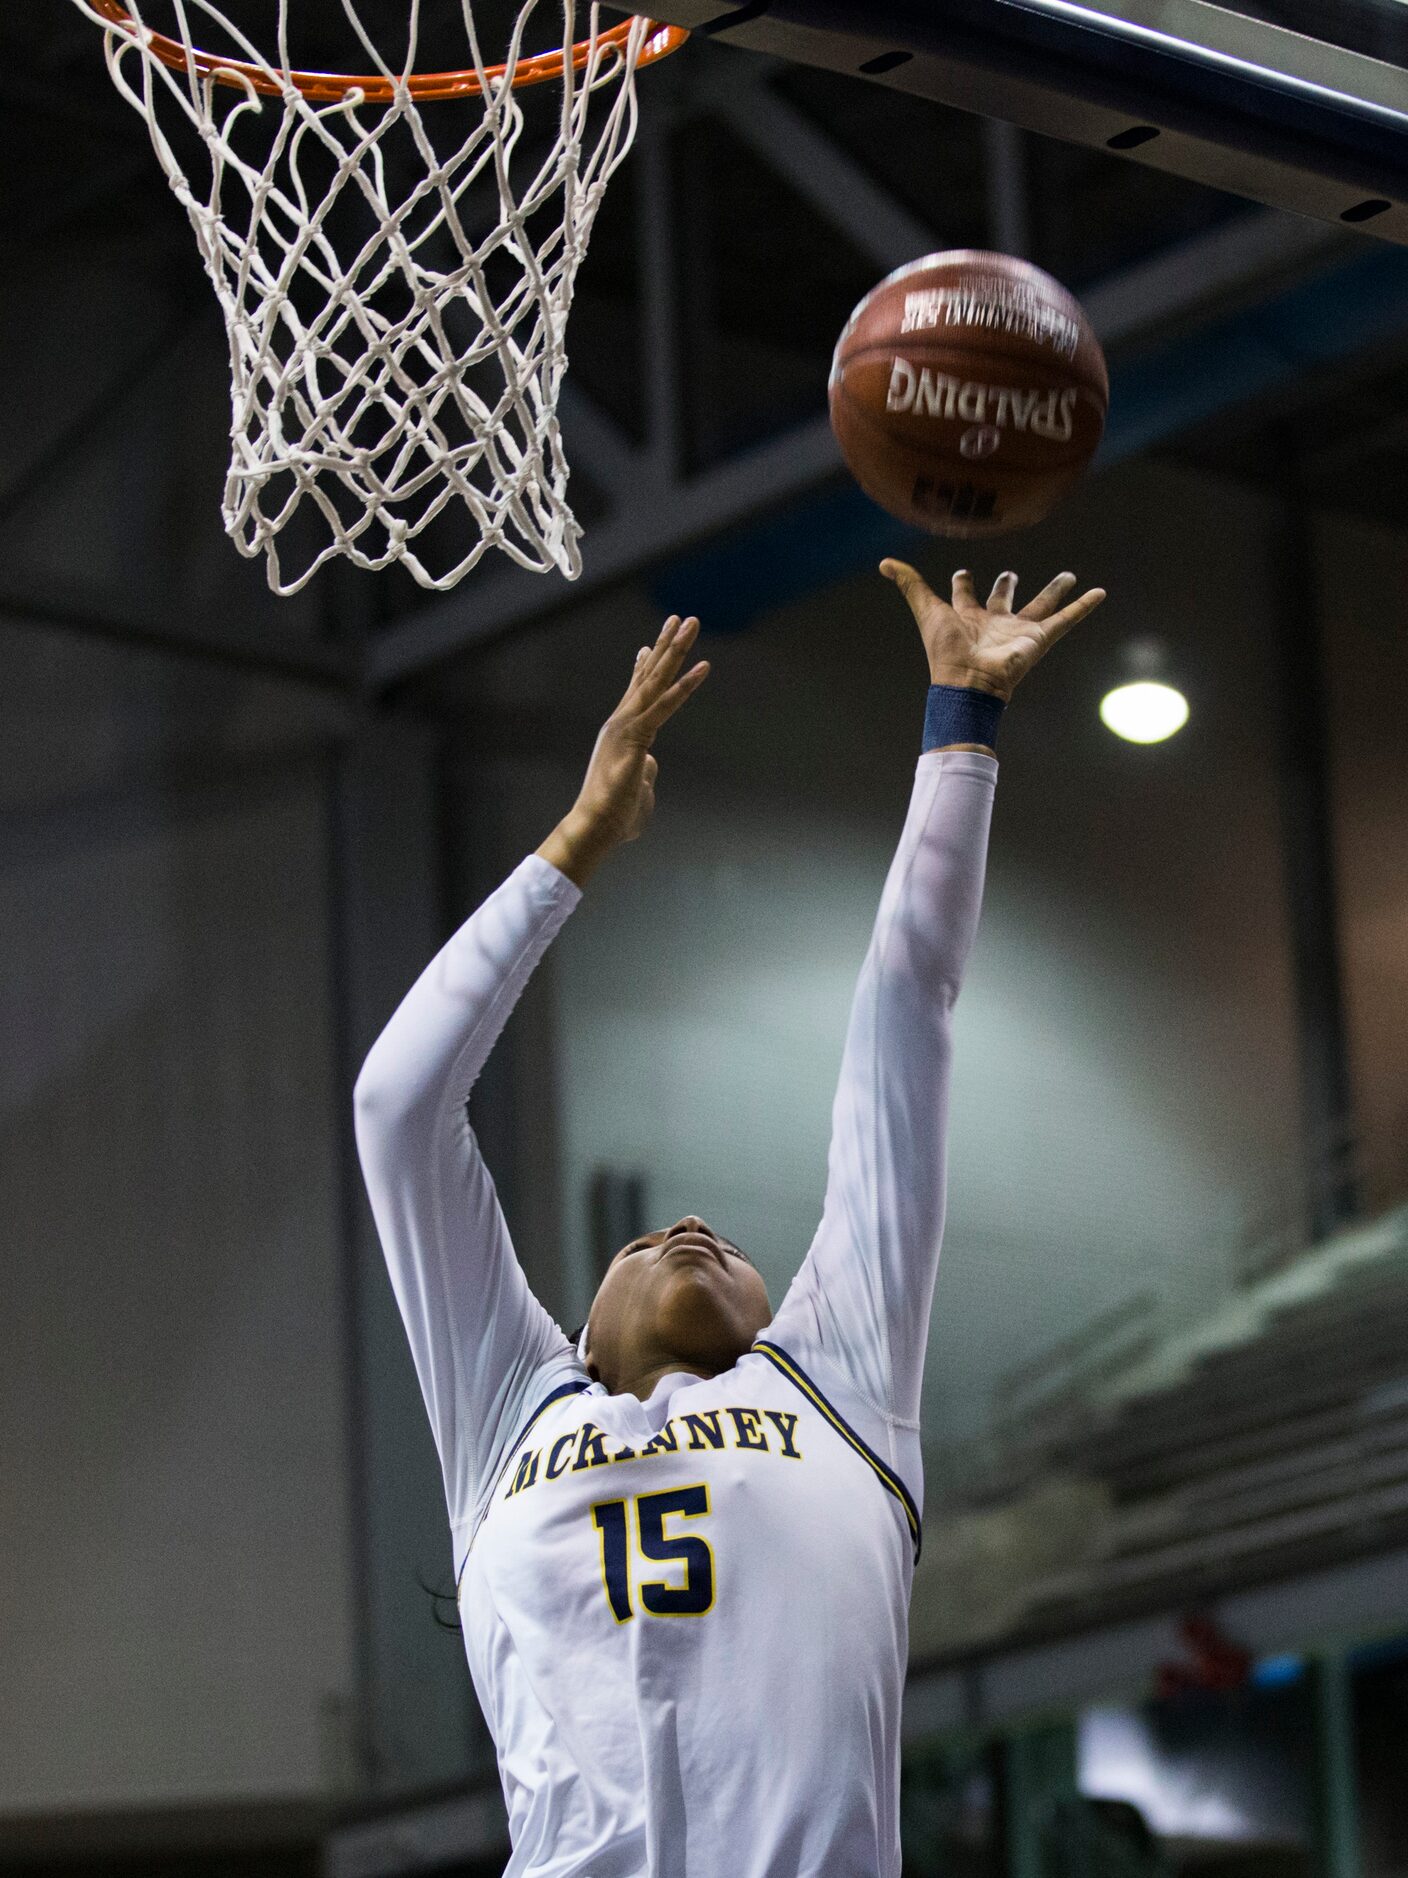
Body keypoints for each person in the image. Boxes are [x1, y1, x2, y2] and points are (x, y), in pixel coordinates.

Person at [354, 560, 1106, 1878]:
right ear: (577, 1333)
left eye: (731, 1251)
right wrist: (577, 838)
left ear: (784, 1317)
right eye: (641, 1243)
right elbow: (398, 1105)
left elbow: (905, 1013)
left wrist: (962, 726)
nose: (690, 1225)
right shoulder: (506, 1412)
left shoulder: (844, 1378)